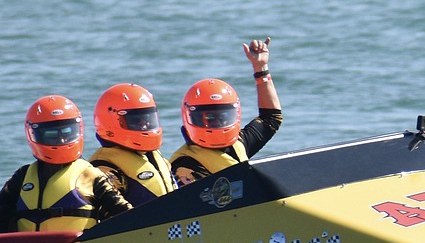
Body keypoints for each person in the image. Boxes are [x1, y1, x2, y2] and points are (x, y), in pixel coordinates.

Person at [0, 95, 132, 232]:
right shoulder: (23, 175)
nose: (61, 141)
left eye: (66, 133)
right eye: (52, 135)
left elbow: (126, 214)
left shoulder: (91, 175)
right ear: (33, 134)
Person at [170, 37, 283, 186]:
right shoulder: (183, 163)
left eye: (222, 116)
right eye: (208, 118)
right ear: (189, 116)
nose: (215, 123)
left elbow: (271, 118)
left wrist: (260, 68)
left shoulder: (239, 143)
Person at [90, 83, 177, 206]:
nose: (145, 125)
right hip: (144, 224)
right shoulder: (104, 166)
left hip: (173, 222)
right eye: (136, 120)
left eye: (147, 118)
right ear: (111, 121)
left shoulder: (154, 155)